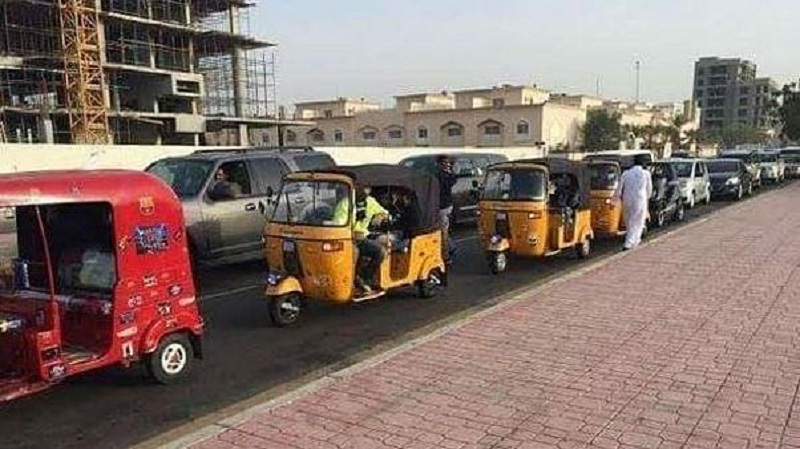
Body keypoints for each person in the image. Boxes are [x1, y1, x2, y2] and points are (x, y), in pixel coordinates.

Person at [332, 184, 389, 293]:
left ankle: (364, 277)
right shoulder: (345, 204)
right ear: (356, 188)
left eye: (368, 188)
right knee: (355, 252)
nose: (366, 191)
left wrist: (380, 216)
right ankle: (350, 283)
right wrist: (352, 234)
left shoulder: (370, 201)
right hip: (347, 240)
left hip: (362, 238)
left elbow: (385, 212)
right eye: (364, 187)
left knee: (381, 251)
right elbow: (337, 227)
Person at [614, 155, 653, 251]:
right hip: (640, 199)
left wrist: (616, 198)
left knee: (629, 222)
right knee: (638, 222)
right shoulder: (646, 174)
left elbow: (619, 188)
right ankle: (629, 242)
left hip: (627, 199)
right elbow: (649, 190)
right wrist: (647, 197)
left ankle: (634, 241)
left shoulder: (626, 173)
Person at [435, 155, 457, 263]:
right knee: (443, 230)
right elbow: (448, 183)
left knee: (443, 230)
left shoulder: (444, 175)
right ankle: (449, 249)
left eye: (448, 163)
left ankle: (447, 254)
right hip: (442, 206)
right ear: (439, 164)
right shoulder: (440, 175)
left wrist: (450, 173)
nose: (447, 165)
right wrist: (450, 173)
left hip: (445, 206)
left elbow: (451, 182)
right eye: (444, 163)